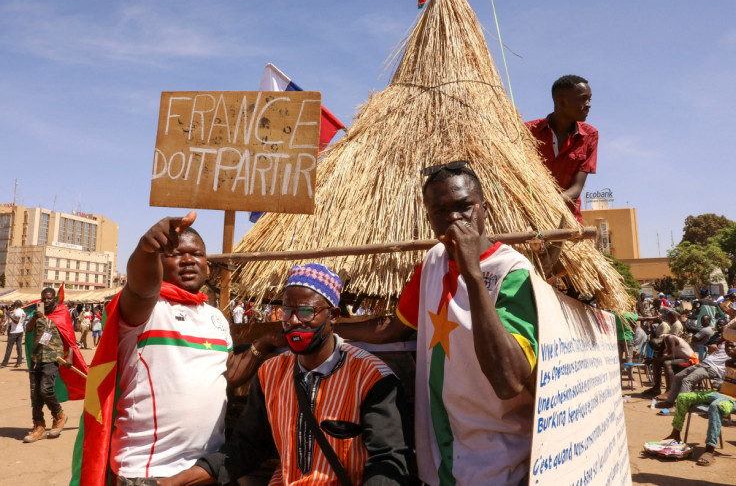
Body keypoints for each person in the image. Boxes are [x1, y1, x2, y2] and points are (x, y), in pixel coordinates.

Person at [338, 161, 539, 485]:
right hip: (442, 454)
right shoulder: (432, 262)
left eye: (464, 207)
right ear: (429, 217)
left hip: (501, 461)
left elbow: (508, 381)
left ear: (484, 207)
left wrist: (472, 272)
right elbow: (392, 329)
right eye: (440, 211)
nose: (454, 219)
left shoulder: (511, 272)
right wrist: (330, 328)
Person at [162, 264, 410, 485]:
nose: (292, 321)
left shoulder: (372, 378)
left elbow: (387, 460)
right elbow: (247, 448)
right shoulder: (270, 373)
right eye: (286, 311)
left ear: (332, 316)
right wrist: (171, 482)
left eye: (305, 312)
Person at [74, 211, 268, 483]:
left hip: (203, 471)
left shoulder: (215, 319)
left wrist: (265, 345)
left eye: (197, 254)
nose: (188, 260)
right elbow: (141, 287)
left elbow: (224, 376)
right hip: (149, 474)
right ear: (159, 263)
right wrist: (146, 248)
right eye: (175, 254)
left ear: (208, 266)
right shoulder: (146, 309)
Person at [525, 75, 597, 223]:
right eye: (583, 99)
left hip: (567, 221)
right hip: (530, 219)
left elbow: (576, 188)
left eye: (589, 99)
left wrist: (548, 203)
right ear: (561, 101)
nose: (588, 104)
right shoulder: (527, 132)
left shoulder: (590, 135)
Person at [660, 341, 736, 465]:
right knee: (684, 397)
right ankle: (675, 434)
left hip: (732, 400)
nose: (729, 349)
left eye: (732, 346)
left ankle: (710, 449)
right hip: (721, 394)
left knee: (716, 406)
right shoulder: (728, 362)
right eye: (727, 346)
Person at [23, 288, 78, 442]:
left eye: (49, 298)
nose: (46, 301)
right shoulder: (37, 313)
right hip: (37, 358)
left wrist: (71, 358)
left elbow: (70, 337)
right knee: (35, 395)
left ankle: (59, 415)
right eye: (43, 298)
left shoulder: (62, 313)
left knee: (45, 389)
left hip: (53, 358)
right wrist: (34, 318)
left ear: (55, 298)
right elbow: (28, 329)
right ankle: (39, 427)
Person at [657, 340, 733, 409]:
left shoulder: (733, 345)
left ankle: (680, 407)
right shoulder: (725, 342)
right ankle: (669, 402)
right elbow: (714, 347)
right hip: (704, 364)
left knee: (687, 381)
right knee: (678, 377)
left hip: (713, 368)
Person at [1, 300, 26, 368]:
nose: (14, 305)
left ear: (17, 304)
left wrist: (9, 315)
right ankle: (19, 362)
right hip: (20, 330)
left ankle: (4, 363)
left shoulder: (17, 311)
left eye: (15, 304)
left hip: (14, 331)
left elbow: (16, 321)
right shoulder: (22, 311)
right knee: (19, 347)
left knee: (9, 347)